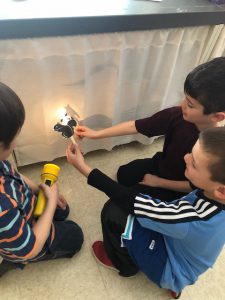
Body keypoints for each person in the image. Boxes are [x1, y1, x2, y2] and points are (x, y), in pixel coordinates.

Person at [66, 126, 225, 298]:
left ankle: (122, 265)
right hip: (187, 254)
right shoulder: (214, 196)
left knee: (113, 211)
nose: (185, 158)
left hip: (171, 266)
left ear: (221, 191)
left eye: (194, 163)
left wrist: (83, 168)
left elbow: (132, 202)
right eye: (191, 153)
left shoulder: (192, 218)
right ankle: (177, 280)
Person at [74, 57, 225, 201]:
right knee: (123, 174)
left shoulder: (214, 151)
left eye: (191, 105)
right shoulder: (177, 115)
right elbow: (136, 126)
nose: (182, 104)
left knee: (121, 203)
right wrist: (97, 134)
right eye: (185, 98)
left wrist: (159, 182)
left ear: (217, 117)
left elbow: (197, 188)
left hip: (179, 189)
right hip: (161, 164)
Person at [0, 82, 83, 276]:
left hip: (23, 208)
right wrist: (51, 201)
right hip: (26, 242)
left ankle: (43, 216)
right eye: (16, 133)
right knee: (75, 235)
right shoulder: (2, 209)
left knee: (64, 210)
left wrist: (39, 190)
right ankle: (12, 262)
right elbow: (31, 247)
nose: (17, 138)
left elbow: (14, 174)